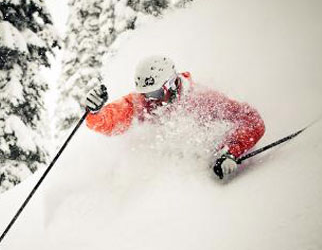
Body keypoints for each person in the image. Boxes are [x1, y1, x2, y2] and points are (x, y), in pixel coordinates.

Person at [83, 55, 265, 179]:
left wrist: (230, 152)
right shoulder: (142, 102)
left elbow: (252, 120)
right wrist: (95, 112)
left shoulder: (202, 99)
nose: (149, 99)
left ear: (170, 84)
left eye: (154, 93)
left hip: (202, 176)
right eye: (145, 93)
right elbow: (113, 119)